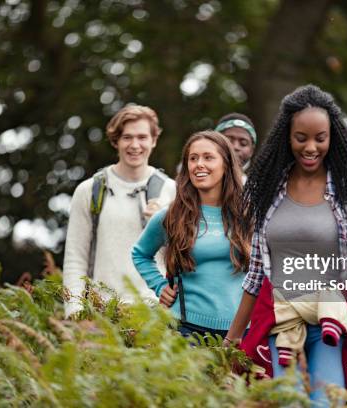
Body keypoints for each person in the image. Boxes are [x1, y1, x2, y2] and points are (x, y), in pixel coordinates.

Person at [225, 85, 347, 407]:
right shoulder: (266, 191)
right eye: (301, 138)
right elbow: (256, 275)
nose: (311, 147)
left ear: (332, 138)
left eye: (320, 138)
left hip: (330, 320)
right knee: (288, 401)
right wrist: (233, 336)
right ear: (288, 136)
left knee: (327, 401)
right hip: (279, 318)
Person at [132, 130, 250, 338]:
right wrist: (160, 287)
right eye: (193, 158)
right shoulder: (171, 216)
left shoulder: (248, 215)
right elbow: (140, 253)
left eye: (208, 157)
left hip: (241, 331)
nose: (199, 165)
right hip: (186, 329)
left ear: (226, 164)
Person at [63, 105, 176, 318]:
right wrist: (75, 312)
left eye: (142, 137)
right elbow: (75, 258)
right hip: (101, 313)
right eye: (127, 137)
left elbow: (185, 257)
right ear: (116, 141)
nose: (135, 145)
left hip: (156, 314)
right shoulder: (89, 190)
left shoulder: (172, 191)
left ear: (154, 140)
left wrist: (166, 227)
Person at [214, 113, 257, 182]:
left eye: (243, 143)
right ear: (213, 143)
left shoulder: (255, 190)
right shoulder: (195, 182)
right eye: (228, 140)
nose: (235, 147)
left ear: (251, 151)